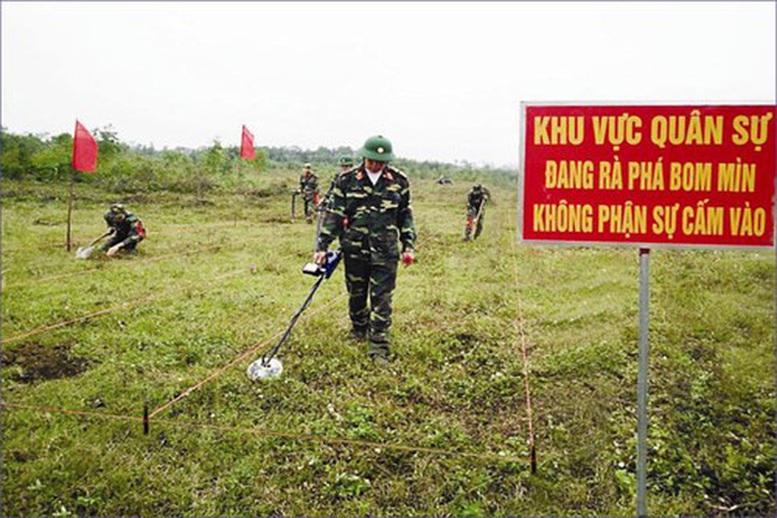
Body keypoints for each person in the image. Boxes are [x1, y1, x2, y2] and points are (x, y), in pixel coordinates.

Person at [313, 135, 416, 366]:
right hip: (355, 249)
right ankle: (359, 329)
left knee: (382, 298)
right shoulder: (346, 180)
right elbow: (335, 215)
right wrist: (322, 246)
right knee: (356, 294)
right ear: (364, 157)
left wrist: (408, 245)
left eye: (380, 162)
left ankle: (379, 345)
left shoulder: (399, 181)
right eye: (371, 160)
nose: (375, 165)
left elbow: (405, 215)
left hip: (386, 250)